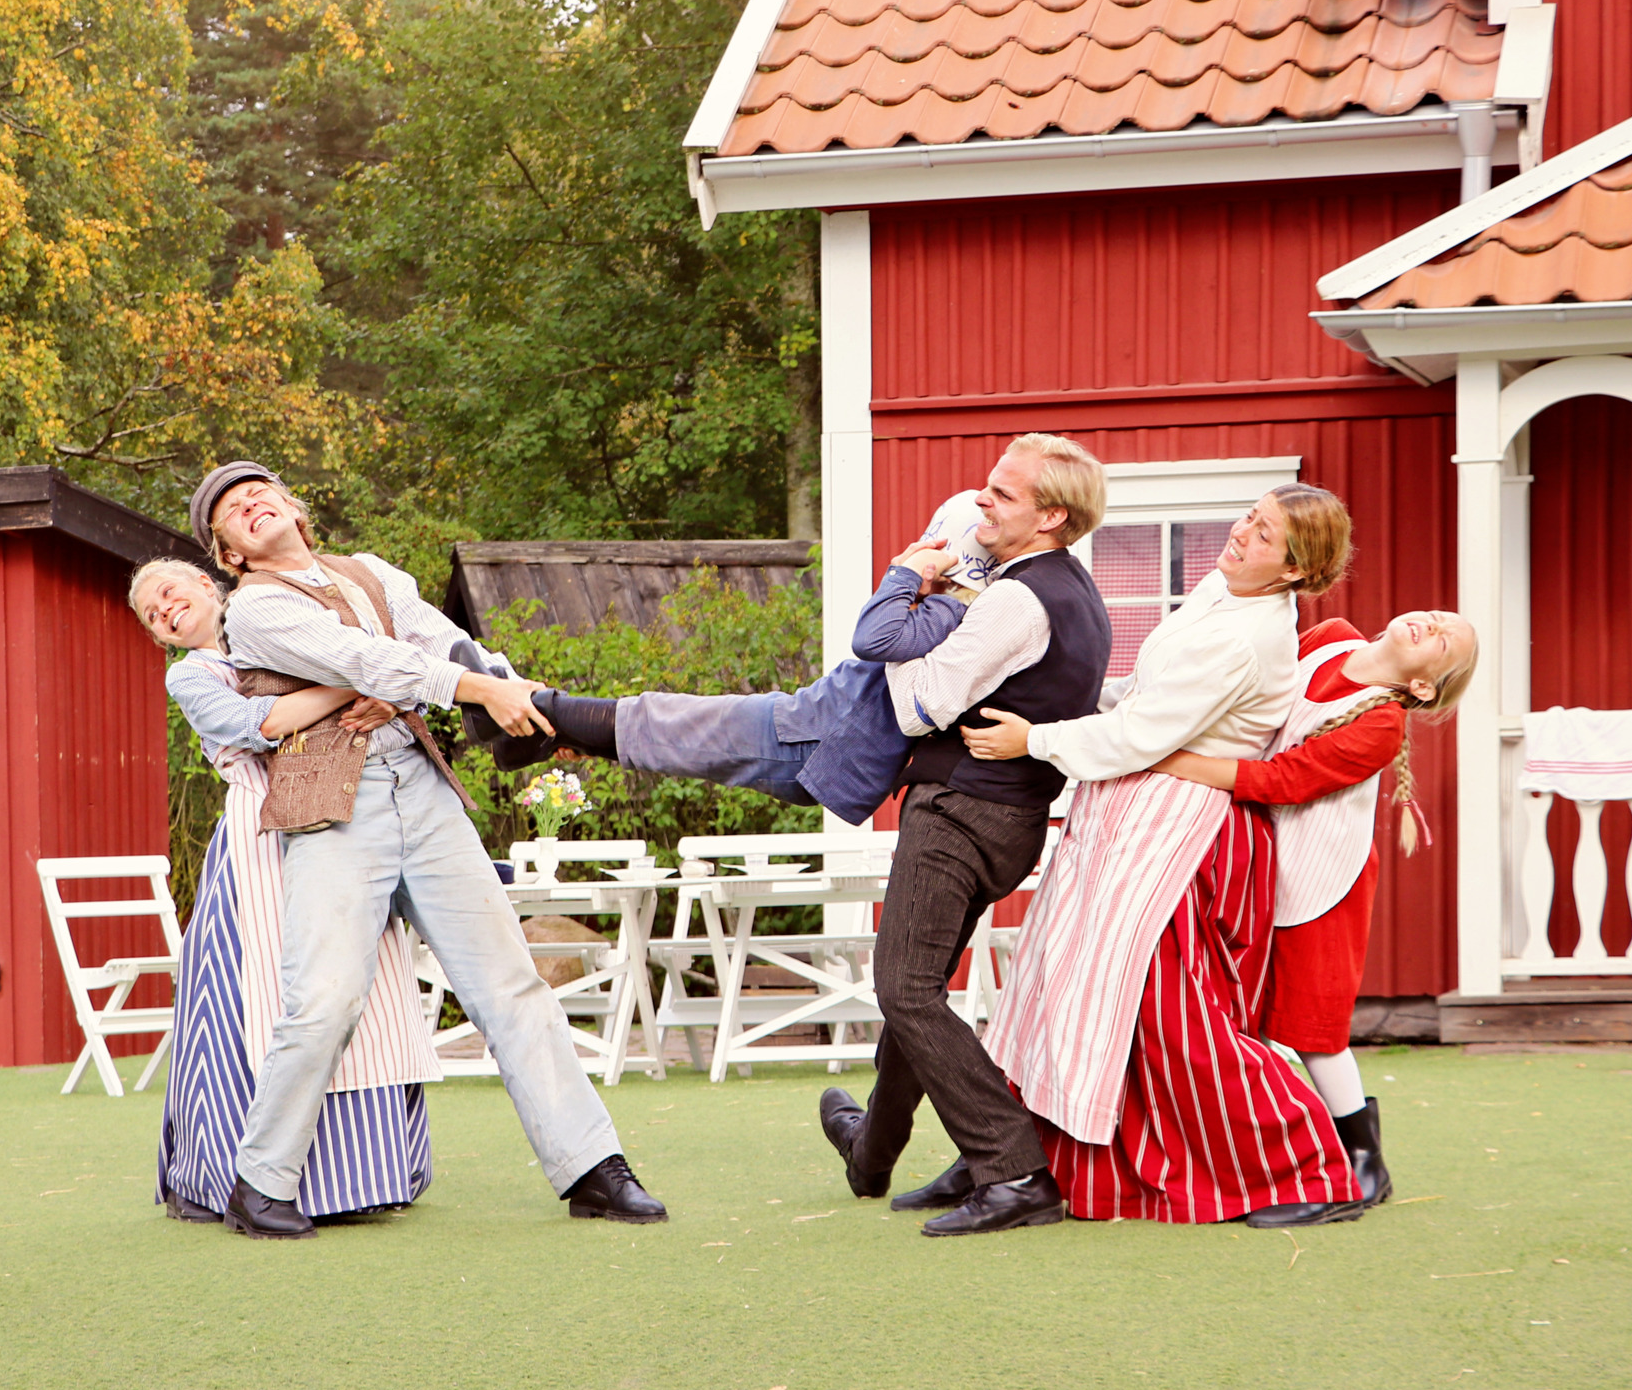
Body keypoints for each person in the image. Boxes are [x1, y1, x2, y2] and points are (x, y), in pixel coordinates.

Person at [190, 460, 665, 1240]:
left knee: (510, 986)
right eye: (228, 510)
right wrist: (459, 689)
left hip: (423, 790)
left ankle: (591, 1168)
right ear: (229, 554)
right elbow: (370, 663)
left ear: (292, 507)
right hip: (336, 804)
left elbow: (452, 647)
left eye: (258, 490)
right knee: (326, 999)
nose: (246, 502)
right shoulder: (255, 611)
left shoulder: (370, 572)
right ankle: (259, 1179)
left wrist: (537, 713)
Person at [969, 485, 1365, 1226]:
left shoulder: (1247, 636)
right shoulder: (1220, 594)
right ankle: (1035, 1165)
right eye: (1251, 517)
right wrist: (1076, 713)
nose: (1242, 534)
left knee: (1174, 1014)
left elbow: (1144, 734)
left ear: (1290, 570)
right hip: (1135, 810)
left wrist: (1037, 740)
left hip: (1179, 829)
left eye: (1265, 535)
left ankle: (1310, 1169)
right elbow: (1139, 694)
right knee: (1093, 999)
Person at [812, 435, 1115, 1238]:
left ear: (1052, 517)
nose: (982, 502)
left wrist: (919, 610)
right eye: (988, 487)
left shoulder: (1018, 600)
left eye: (1002, 495)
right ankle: (871, 1148)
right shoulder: (1076, 594)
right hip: (1007, 817)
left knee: (904, 989)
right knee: (922, 985)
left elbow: (917, 708)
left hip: (961, 812)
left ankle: (1014, 1171)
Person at [129, 558, 441, 1224]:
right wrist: (354, 678)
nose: (163, 610)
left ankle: (363, 1176)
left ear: (208, 587)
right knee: (256, 1000)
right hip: (259, 842)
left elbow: (391, 672)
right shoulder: (191, 675)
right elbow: (264, 725)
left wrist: (371, 681)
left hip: (344, 821)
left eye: (167, 593)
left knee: (363, 992)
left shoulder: (285, 624)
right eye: (152, 616)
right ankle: (242, 1173)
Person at [1147, 607, 1478, 1224]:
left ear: (1425, 686)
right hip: (1257, 863)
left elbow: (1281, 779)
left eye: (1443, 639)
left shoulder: (1381, 724)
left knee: (1311, 1029)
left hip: (1321, 880)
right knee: (1247, 1019)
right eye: (1434, 616)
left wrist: (1166, 759)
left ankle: (1361, 1161)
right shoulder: (1329, 639)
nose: (1430, 625)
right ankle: (1275, 1155)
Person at [518, 489, 1018, 826]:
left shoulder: (951, 612)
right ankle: (543, 729)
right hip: (809, 727)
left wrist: (904, 572)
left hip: (809, 735)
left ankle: (517, 708)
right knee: (670, 730)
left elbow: (871, 639)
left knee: (664, 720)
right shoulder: (957, 612)